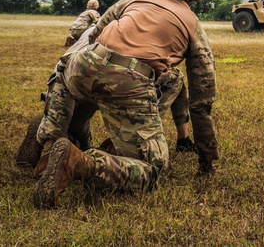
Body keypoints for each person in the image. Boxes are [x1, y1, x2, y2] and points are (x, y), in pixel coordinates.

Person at [32, 0, 218, 209]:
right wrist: (208, 159)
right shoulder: (192, 24)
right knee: (153, 169)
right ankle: (79, 162)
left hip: (81, 67)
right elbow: (202, 100)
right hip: (128, 82)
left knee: (67, 77)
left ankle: (48, 144)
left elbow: (94, 34)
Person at [15, 26, 196, 171]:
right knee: (175, 78)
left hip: (68, 79)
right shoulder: (142, 33)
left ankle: (48, 143)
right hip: (115, 82)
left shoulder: (100, 25)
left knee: (76, 136)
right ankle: (115, 146)